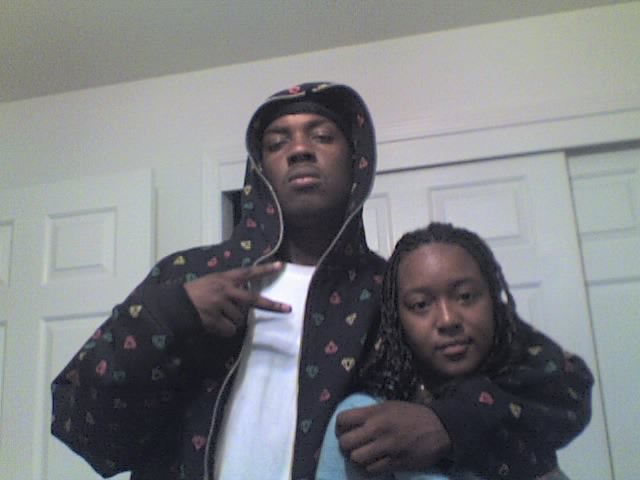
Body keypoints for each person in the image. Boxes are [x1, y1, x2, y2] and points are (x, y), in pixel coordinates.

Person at [51, 82, 593, 480]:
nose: (299, 149)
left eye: (322, 135)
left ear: (356, 162)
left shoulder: (396, 290)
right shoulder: (186, 277)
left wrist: (450, 424)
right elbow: (82, 426)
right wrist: (171, 316)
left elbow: (559, 389)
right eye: (277, 141)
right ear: (259, 169)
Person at [316, 223, 581, 480]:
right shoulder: (367, 416)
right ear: (396, 322)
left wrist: (450, 424)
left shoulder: (536, 389)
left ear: (493, 301)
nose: (447, 319)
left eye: (465, 296)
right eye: (420, 304)